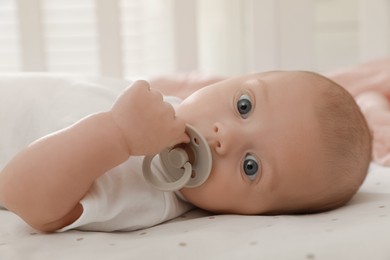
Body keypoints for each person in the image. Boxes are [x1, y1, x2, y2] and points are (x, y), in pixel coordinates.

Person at [0, 69, 372, 233]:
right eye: (244, 106)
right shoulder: (168, 105)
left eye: (251, 166)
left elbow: (19, 194)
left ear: (255, 214)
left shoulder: (149, 190)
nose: (223, 136)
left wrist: (117, 134)